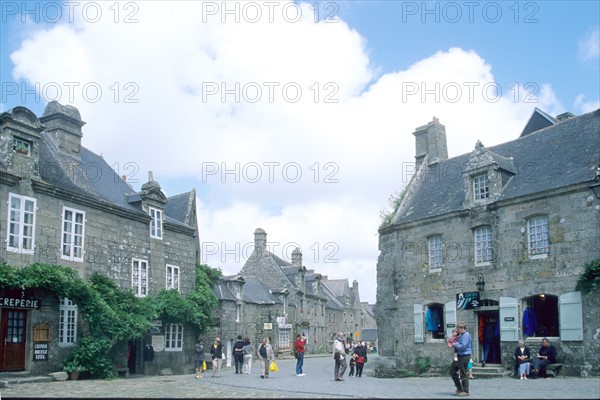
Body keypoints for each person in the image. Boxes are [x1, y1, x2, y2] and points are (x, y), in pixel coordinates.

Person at [449, 321, 472, 397]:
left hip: (464, 356)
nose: (457, 330)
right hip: (459, 355)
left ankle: (465, 390)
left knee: (463, 373)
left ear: (462, 328)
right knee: (452, 371)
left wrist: (455, 344)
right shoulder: (461, 335)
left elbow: (463, 346)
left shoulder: (466, 335)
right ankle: (459, 388)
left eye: (458, 329)